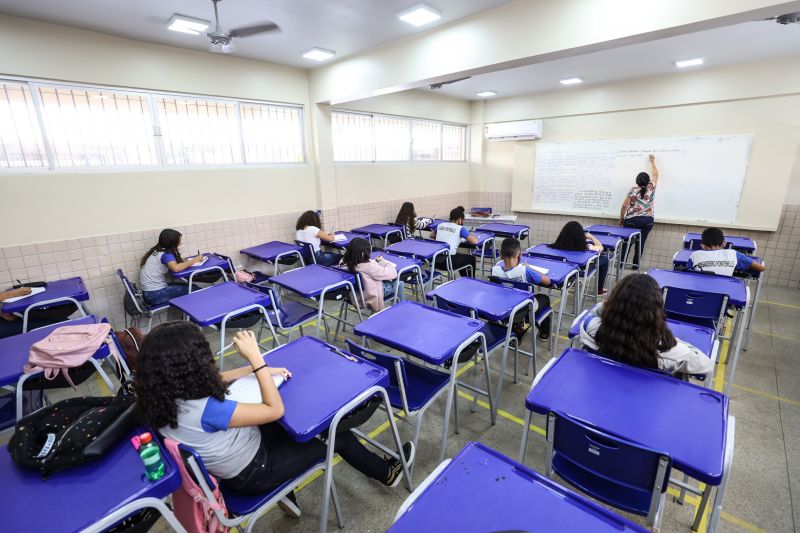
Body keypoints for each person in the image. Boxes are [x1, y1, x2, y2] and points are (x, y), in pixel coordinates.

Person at [136, 323, 415, 518]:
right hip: (254, 472)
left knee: (289, 429)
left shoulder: (160, 396)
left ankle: (287, 494)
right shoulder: (207, 409)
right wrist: (257, 360)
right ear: (192, 364)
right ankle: (388, 473)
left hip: (230, 462)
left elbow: (215, 380)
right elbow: (274, 410)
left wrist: (260, 370)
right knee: (337, 436)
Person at [578, 274, 713, 377]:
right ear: (656, 309)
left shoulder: (591, 327)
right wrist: (669, 337)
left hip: (600, 389)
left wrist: (611, 306)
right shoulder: (666, 349)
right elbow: (706, 366)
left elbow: (596, 311)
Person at [491, 238, 552, 340]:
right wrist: (530, 268)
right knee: (545, 299)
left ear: (501, 255)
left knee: (517, 304)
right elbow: (547, 281)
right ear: (519, 254)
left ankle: (517, 332)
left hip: (504, 307)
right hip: (524, 308)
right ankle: (544, 334)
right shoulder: (525, 271)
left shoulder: (494, 271)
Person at [139, 229, 203, 306]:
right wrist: (194, 260)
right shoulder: (165, 255)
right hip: (155, 295)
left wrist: (185, 260)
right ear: (172, 243)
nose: (181, 243)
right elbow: (176, 268)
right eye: (179, 242)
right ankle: (198, 315)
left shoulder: (157, 251)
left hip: (149, 293)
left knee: (192, 286)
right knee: (196, 290)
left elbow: (174, 262)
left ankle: (190, 315)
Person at [619, 155, 659, 269]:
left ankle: (621, 265)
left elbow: (624, 206)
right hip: (648, 221)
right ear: (648, 181)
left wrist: (621, 219)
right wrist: (652, 162)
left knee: (627, 241)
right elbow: (656, 175)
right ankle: (635, 266)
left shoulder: (633, 190)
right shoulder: (651, 187)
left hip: (632, 220)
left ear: (637, 181)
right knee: (641, 242)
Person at [341, 238, 404, 311]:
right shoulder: (369, 266)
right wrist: (383, 262)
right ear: (363, 253)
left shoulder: (344, 263)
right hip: (370, 297)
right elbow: (393, 274)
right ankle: (401, 310)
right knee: (399, 284)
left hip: (355, 296)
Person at [550, 221, 610, 295]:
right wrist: (591, 237)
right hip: (578, 271)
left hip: (561, 272)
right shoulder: (586, 247)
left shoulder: (556, 246)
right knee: (604, 259)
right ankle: (599, 289)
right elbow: (601, 247)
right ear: (580, 235)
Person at [687, 227, 766, 277]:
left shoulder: (695, 255)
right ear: (724, 243)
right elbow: (761, 268)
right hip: (723, 297)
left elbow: (687, 275)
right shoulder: (733, 254)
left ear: (702, 245)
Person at [430, 208, 477, 277]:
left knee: (462, 258)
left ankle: (465, 279)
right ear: (459, 219)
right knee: (471, 259)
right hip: (449, 262)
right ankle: (470, 280)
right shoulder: (460, 229)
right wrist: (472, 235)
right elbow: (475, 241)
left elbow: (432, 235)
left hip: (435, 260)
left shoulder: (441, 225)